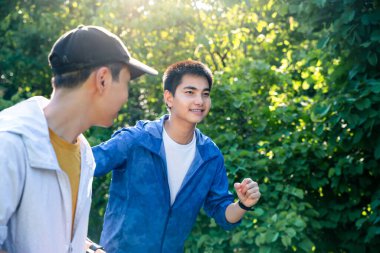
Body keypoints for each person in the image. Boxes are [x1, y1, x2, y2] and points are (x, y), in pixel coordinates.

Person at [0, 25, 157, 253]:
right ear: (102, 80)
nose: (126, 96)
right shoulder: (9, 144)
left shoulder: (83, 153)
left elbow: (57, 236)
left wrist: (92, 249)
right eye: (126, 82)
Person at [93, 60, 261, 252]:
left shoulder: (210, 156)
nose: (200, 101)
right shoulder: (136, 140)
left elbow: (223, 213)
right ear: (169, 98)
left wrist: (243, 204)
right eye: (190, 92)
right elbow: (83, 165)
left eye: (205, 94)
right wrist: (86, 244)